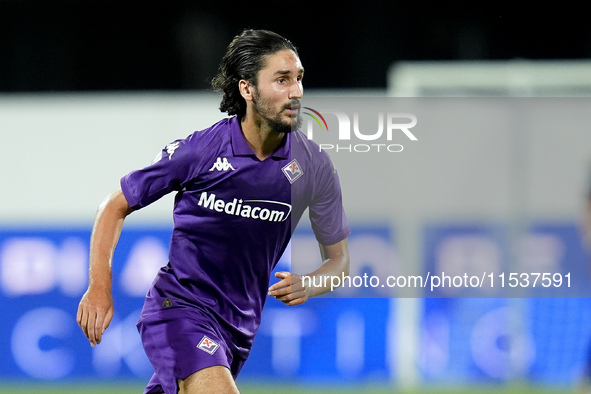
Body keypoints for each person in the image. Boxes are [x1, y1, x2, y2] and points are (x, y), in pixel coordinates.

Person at [76, 29, 350, 394]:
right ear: (247, 89)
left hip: (239, 329)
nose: (296, 92)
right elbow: (115, 205)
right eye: (282, 80)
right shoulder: (202, 151)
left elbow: (340, 262)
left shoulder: (313, 167)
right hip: (179, 309)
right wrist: (99, 286)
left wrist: (311, 283)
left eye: (298, 79)